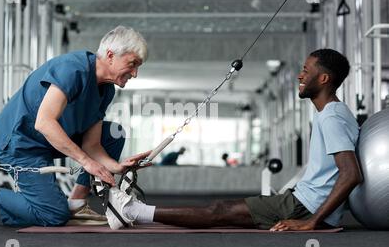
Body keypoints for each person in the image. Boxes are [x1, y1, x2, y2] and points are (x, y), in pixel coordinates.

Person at [106, 49, 363, 231]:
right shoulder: (336, 113)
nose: (299, 76)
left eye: (306, 71)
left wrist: (313, 221)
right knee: (224, 212)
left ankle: (133, 210)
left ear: (324, 79)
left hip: (305, 206)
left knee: (218, 211)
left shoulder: (331, 117)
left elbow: (351, 174)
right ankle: (136, 211)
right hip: (304, 200)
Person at [0, 26, 151, 227]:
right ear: (110, 55)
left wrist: (117, 166)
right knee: (54, 215)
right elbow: (44, 122)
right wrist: (86, 162)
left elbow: (92, 145)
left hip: (46, 141)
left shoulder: (107, 91)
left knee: (114, 134)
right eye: (132, 64)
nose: (135, 73)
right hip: (19, 142)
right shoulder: (73, 69)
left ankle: (76, 203)